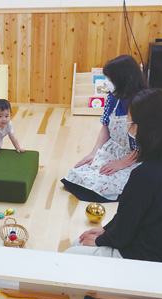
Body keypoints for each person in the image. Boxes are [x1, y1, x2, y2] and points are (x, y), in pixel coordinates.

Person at [64, 88, 162, 264]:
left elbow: (123, 233)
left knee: (70, 253)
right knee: (79, 243)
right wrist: (105, 230)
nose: (127, 126)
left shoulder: (145, 174)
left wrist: (101, 239)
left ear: (140, 127)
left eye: (129, 121)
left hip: (147, 259)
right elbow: (129, 217)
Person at [62, 55, 148, 202]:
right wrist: (94, 153)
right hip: (115, 149)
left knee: (105, 183)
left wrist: (122, 163)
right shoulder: (113, 98)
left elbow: (145, 145)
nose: (107, 82)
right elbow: (106, 128)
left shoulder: (142, 103)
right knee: (77, 174)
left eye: (110, 78)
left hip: (137, 156)